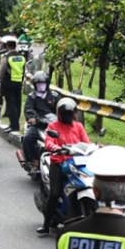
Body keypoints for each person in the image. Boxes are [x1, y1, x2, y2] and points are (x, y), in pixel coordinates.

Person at [38, 97, 91, 236]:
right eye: (66, 114)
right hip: (59, 163)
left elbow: (86, 142)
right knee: (55, 193)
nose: (69, 116)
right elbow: (49, 141)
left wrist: (92, 148)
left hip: (76, 163)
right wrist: (55, 147)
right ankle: (46, 224)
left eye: (71, 113)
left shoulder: (78, 126)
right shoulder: (53, 127)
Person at [21, 71, 56, 167]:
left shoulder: (54, 96)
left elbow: (60, 109)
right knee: (28, 138)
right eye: (39, 84)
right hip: (39, 125)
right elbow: (29, 110)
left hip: (53, 125)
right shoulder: (32, 97)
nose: (41, 86)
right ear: (35, 85)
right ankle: (33, 160)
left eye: (43, 84)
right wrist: (34, 119)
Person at [0, 34, 27, 132]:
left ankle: (13, 126)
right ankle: (15, 123)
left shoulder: (7, 57)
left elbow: (2, 72)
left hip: (8, 84)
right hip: (18, 84)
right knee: (18, 105)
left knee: (11, 105)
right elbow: (24, 70)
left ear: (8, 46)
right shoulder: (22, 57)